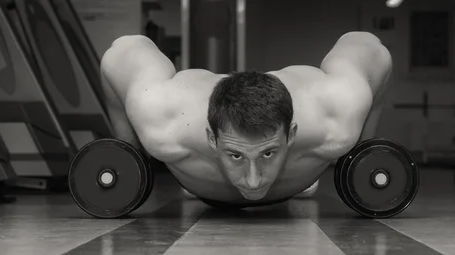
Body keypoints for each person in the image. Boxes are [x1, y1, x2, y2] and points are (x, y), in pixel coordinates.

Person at [99, 32, 392, 207]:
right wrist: (128, 151)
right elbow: (121, 52)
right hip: (190, 113)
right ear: (211, 139)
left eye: (268, 153)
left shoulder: (334, 119)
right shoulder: (164, 122)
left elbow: (370, 49)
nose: (253, 180)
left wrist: (362, 154)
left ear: (291, 135)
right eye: (236, 155)